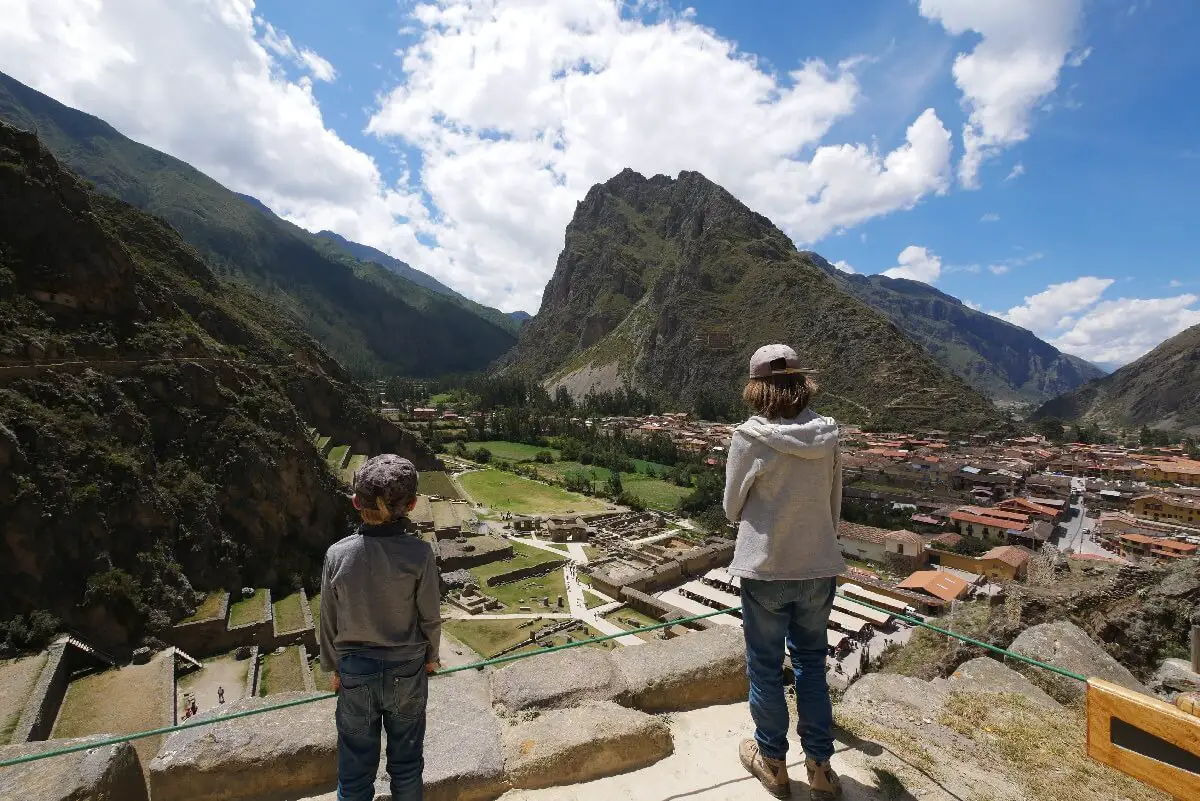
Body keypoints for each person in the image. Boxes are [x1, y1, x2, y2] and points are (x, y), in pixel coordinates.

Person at [724, 344, 845, 800]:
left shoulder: (749, 437)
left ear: (756, 388)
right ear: (802, 384)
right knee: (813, 664)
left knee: (765, 667)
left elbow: (732, 507)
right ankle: (820, 768)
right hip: (818, 565)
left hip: (766, 567)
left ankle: (773, 762)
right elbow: (834, 503)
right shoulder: (829, 434)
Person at [320, 454, 442, 801]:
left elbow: (329, 619)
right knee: (406, 765)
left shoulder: (337, 555)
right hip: (407, 667)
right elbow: (429, 616)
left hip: (356, 671)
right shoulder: (419, 554)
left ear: (356, 502)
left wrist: (333, 667)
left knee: (355, 770)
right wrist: (431, 657)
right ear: (413, 505)